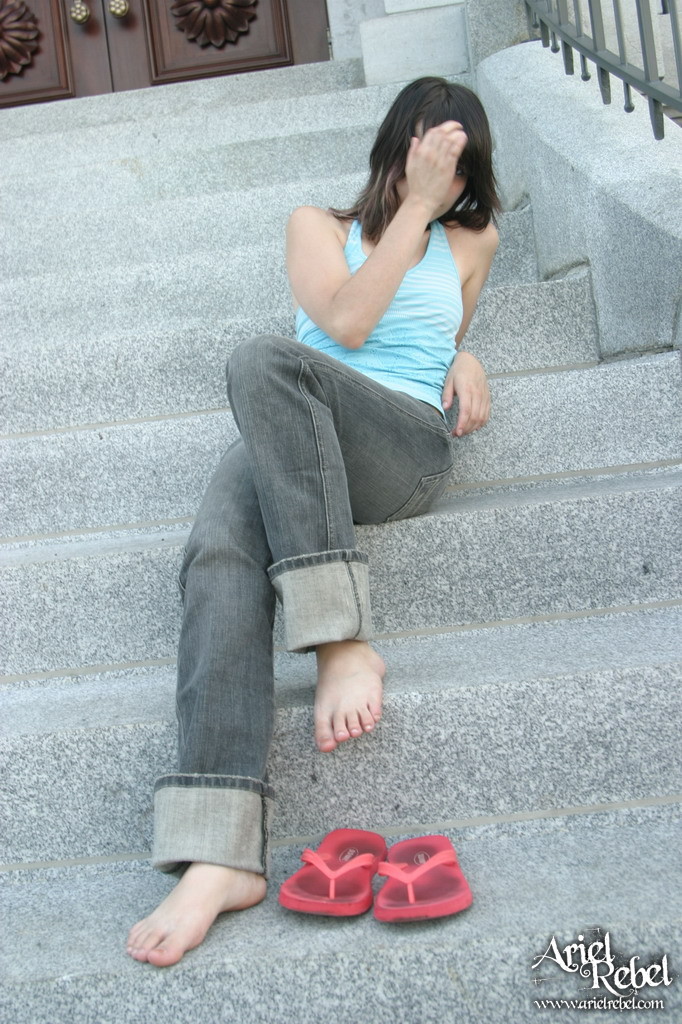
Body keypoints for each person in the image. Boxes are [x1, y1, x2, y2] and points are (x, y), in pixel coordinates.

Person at [126, 76, 500, 967]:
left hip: (398, 444)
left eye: (458, 163)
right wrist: (413, 209)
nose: (443, 174)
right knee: (219, 547)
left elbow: (428, 338)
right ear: (397, 148)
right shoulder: (316, 226)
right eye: (430, 153)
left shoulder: (472, 239)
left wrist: (469, 357)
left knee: (266, 363)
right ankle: (219, 854)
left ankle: (339, 636)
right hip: (292, 427)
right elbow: (346, 320)